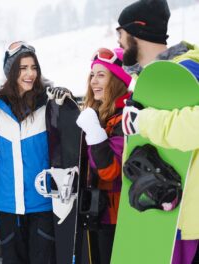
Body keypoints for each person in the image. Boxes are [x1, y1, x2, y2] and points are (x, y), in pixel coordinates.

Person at [117, 1, 199, 263]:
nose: (118, 42)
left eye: (120, 33)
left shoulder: (189, 71)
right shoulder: (145, 82)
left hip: (188, 225)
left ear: (136, 32)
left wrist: (145, 122)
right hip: (160, 216)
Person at [0, 41, 59, 264]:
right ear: (10, 72)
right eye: (22, 68)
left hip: (42, 204)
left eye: (33, 67)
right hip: (8, 206)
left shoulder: (49, 104)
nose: (30, 74)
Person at [76, 47, 132, 264]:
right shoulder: (98, 114)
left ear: (117, 80)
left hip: (117, 216)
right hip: (94, 212)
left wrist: (94, 132)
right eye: (92, 75)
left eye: (101, 75)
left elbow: (110, 171)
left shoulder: (125, 117)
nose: (94, 82)